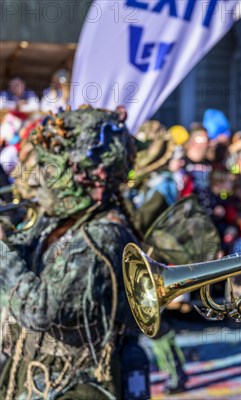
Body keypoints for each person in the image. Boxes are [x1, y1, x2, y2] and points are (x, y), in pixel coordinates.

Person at [0, 106, 141, 399]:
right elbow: (28, 253)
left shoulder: (101, 235)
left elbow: (41, 310)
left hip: (73, 384)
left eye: (50, 168)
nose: (38, 179)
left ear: (85, 175)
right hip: (37, 374)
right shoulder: (64, 219)